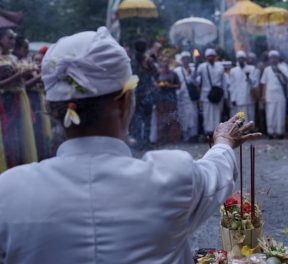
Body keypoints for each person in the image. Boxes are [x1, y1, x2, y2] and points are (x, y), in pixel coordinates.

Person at [0, 27, 261, 264]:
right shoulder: (172, 176)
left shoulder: (10, 192)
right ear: (125, 102)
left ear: (49, 108)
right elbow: (218, 171)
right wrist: (224, 140)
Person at [0, 28, 38, 168]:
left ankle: (17, 166)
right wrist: (18, 75)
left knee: (17, 136)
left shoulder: (13, 58)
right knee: (6, 136)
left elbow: (20, 83)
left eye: (14, 39)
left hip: (17, 100)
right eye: (9, 38)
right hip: (3, 102)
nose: (12, 41)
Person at [15, 36, 53, 159]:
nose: (27, 50)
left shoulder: (25, 62)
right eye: (25, 47)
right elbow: (23, 85)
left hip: (35, 99)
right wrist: (38, 77)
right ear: (18, 48)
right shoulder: (16, 63)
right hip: (27, 100)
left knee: (39, 132)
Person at [260, 50, 288, 139]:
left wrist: (281, 73)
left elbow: (287, 80)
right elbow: (264, 83)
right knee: (270, 114)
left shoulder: (283, 67)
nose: (273, 60)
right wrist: (263, 96)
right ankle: (271, 132)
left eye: (275, 58)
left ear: (278, 59)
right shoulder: (267, 69)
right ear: (269, 59)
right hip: (270, 95)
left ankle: (280, 132)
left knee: (280, 113)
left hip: (280, 95)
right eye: (272, 58)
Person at [196, 49, 225, 137]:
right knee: (207, 114)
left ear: (215, 57)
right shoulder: (202, 67)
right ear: (206, 57)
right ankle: (208, 132)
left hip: (217, 94)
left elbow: (223, 81)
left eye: (212, 56)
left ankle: (216, 132)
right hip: (206, 94)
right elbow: (197, 80)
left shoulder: (220, 67)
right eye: (209, 56)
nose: (211, 58)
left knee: (216, 113)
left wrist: (224, 94)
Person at [153, 56, 181, 144]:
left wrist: (170, 86)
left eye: (166, 62)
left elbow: (179, 85)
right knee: (161, 120)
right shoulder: (157, 74)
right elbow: (153, 84)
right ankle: (161, 139)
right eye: (163, 62)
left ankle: (173, 139)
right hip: (160, 100)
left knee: (172, 119)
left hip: (171, 99)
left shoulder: (173, 74)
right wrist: (157, 86)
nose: (165, 64)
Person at [174, 51, 199, 142]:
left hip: (191, 98)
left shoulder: (193, 69)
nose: (185, 60)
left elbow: (196, 83)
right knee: (183, 117)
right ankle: (185, 136)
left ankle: (193, 136)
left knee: (192, 116)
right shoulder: (176, 70)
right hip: (181, 98)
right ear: (181, 60)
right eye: (184, 59)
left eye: (187, 58)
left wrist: (191, 74)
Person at [228, 51, 259, 122]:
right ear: (237, 60)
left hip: (249, 98)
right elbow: (232, 86)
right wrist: (233, 98)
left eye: (242, 58)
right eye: (239, 59)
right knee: (241, 117)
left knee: (250, 115)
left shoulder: (251, 68)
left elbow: (255, 83)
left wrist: (249, 78)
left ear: (245, 59)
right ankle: (242, 131)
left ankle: (250, 130)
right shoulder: (233, 71)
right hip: (239, 99)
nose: (241, 60)